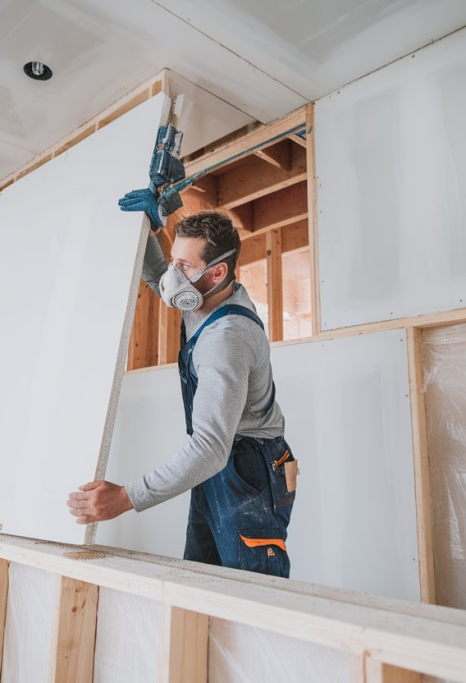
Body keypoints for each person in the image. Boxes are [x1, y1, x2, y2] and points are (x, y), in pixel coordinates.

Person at [67, 201, 297, 578]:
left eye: (185, 266)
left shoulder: (227, 338)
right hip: (221, 460)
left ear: (217, 271)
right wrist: (148, 227)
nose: (173, 276)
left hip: (249, 469)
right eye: (176, 260)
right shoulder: (202, 294)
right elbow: (160, 274)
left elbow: (209, 447)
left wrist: (125, 498)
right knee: (201, 577)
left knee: (251, 589)